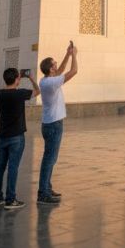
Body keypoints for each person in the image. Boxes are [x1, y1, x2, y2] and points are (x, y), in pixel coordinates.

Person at [37, 42, 78, 205]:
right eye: (54, 64)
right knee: (49, 159)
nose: (56, 65)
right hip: (54, 125)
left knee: (50, 158)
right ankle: (43, 193)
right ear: (50, 69)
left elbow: (60, 71)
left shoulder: (45, 80)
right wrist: (74, 54)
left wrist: (67, 54)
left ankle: (46, 187)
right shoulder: (51, 83)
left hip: (49, 123)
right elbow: (73, 71)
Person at [0, 67, 39, 211]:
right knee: (13, 167)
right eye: (18, 77)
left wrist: (18, 78)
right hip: (16, 136)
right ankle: (10, 199)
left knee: (0, 166)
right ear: (17, 79)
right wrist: (31, 78)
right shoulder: (20, 94)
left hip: (2, 135)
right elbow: (38, 91)